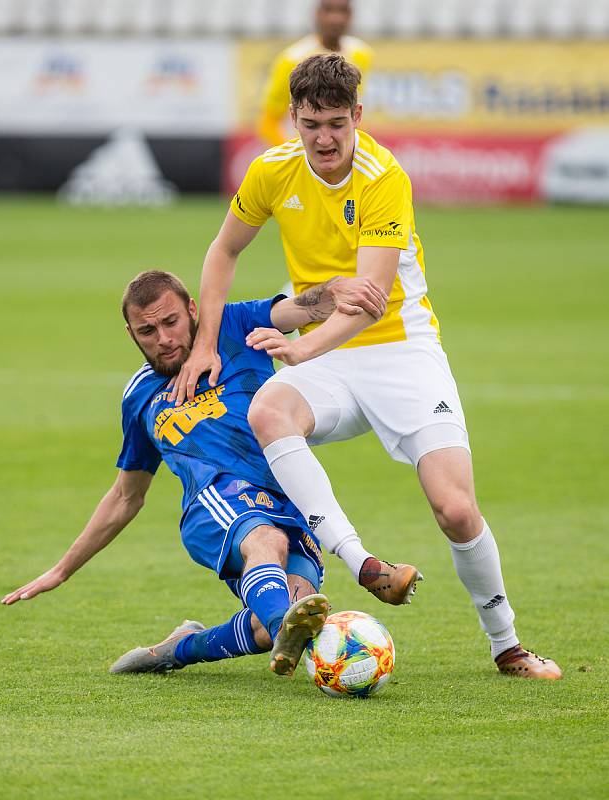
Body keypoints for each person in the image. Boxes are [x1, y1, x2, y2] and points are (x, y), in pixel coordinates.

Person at [172, 55, 562, 680]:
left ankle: (507, 644)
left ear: (357, 116)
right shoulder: (273, 170)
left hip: (401, 351)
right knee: (269, 409)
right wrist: (205, 344)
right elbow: (223, 251)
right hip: (331, 354)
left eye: (334, 123)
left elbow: (370, 299)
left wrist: (301, 348)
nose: (323, 138)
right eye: (309, 124)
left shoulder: (384, 177)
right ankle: (362, 566)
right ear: (293, 120)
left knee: (456, 511)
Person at [0, 269, 363, 678]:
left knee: (275, 619)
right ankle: (285, 629)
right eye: (147, 330)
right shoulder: (140, 396)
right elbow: (126, 496)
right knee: (269, 547)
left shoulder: (236, 324)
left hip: (291, 495)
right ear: (131, 334)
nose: (163, 339)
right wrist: (61, 569)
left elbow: (303, 308)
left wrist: (341, 290)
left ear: (193, 309)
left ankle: (182, 648)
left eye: (171, 322)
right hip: (216, 502)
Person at [258, 0, 372, 147]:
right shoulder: (292, 59)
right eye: (328, 10)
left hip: (341, 155)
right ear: (316, 13)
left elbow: (351, 110)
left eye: (342, 11)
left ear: (351, 15)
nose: (335, 18)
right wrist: (295, 154)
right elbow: (268, 121)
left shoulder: (361, 54)